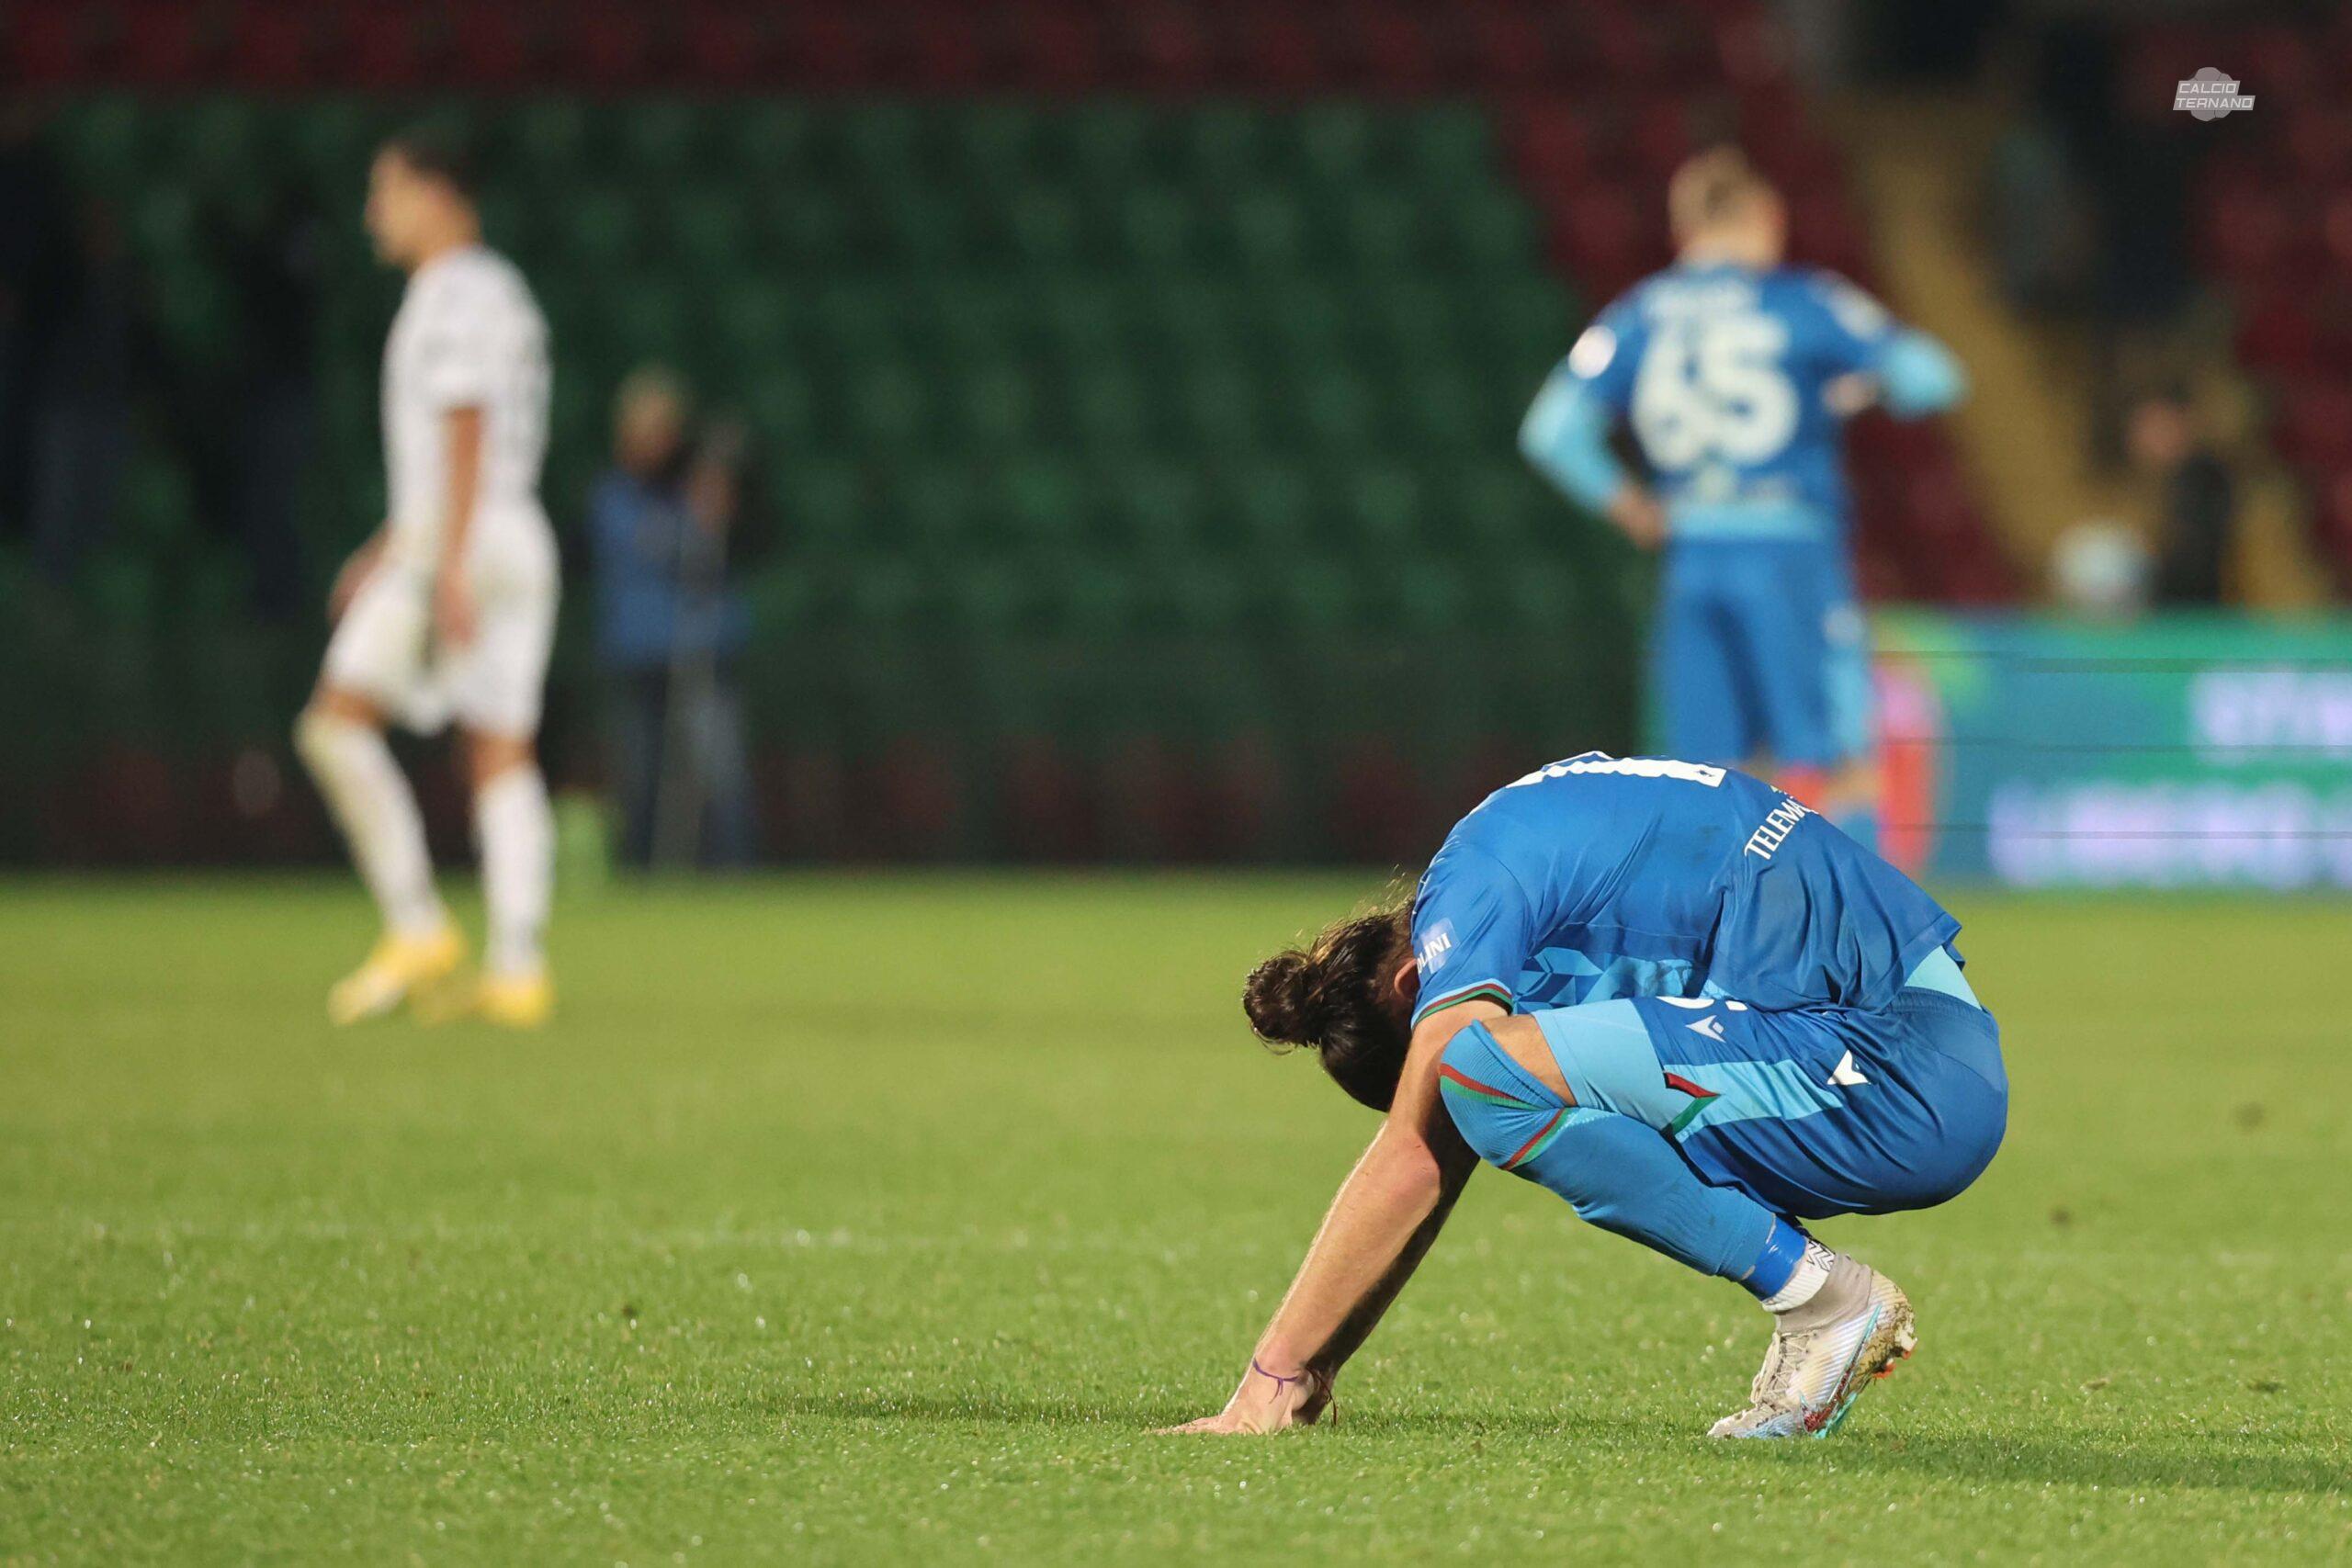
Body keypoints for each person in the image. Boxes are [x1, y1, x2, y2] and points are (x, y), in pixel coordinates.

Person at [1168, 752, 2005, 1438]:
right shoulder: (1519, 851)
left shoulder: (1475, 893)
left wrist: (1273, 1377)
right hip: (1917, 1046)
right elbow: (1444, 1145)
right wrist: (1317, 1367)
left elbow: (1421, 1147)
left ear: (1412, 979)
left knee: (1477, 1075)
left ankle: (1825, 1298)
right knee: (1486, 1079)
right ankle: (1821, 1303)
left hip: (1901, 1067)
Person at [1519, 148, 1968, 852]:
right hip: (1788, 548)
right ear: (1767, 218)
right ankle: (1861, 929)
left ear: (1682, 230)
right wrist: (1859, 386)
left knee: (1714, 772)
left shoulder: (1639, 313)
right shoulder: (1802, 299)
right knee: (1839, 752)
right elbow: (1933, 378)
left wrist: (1630, 504)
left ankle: (1722, 934)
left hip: (1692, 552)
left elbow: (1550, 432)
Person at [294, 125, 558, 1028]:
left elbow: (466, 420)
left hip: (460, 539)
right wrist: (387, 544)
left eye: (387, 191)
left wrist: (437, 559)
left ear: (438, 193)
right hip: (517, 532)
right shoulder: (507, 292)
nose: (376, 214)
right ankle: (518, 969)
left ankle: (415, 924)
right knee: (501, 750)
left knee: (335, 724)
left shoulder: (445, 297)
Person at [586, 367, 758, 869]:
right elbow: (634, 551)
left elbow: (733, 552)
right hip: (636, 656)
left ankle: (735, 874)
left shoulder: (702, 490)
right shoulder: (612, 495)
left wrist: (715, 513)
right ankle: (641, 874)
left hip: (701, 651)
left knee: (719, 773)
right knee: (639, 777)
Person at [2125, 386, 2233, 606]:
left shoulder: (2215, 485)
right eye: (2150, 428)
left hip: (2211, 620)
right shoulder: (2116, 491)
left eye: (2167, 426)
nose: (2159, 437)